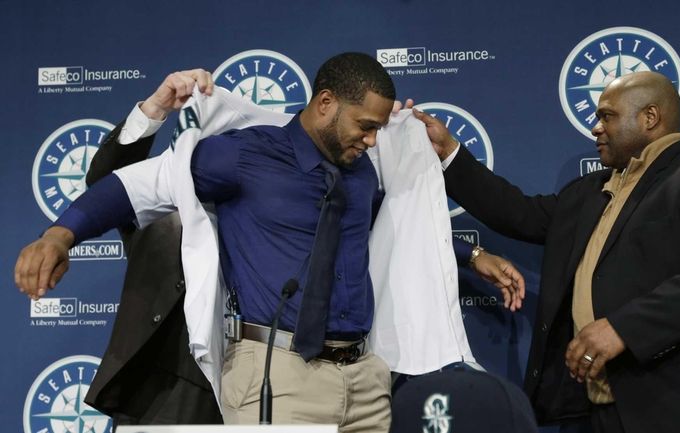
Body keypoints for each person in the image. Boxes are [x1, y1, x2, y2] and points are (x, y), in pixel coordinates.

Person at [16, 55, 524, 432]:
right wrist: (61, 234)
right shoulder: (242, 157)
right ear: (326, 104)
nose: (371, 140)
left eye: (376, 130)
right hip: (278, 375)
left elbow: (393, 231)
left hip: (367, 381)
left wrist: (471, 255)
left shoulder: (362, 171)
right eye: (364, 126)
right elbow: (137, 185)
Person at [413, 71, 680, 433]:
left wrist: (623, 328)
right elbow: (518, 214)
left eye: (607, 116)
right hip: (604, 409)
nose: (595, 129)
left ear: (650, 118)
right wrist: (448, 152)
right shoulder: (588, 191)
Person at [81, 70, 222, 428]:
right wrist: (155, 107)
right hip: (164, 391)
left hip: (254, 387)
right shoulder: (155, 204)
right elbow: (107, 182)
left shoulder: (265, 212)